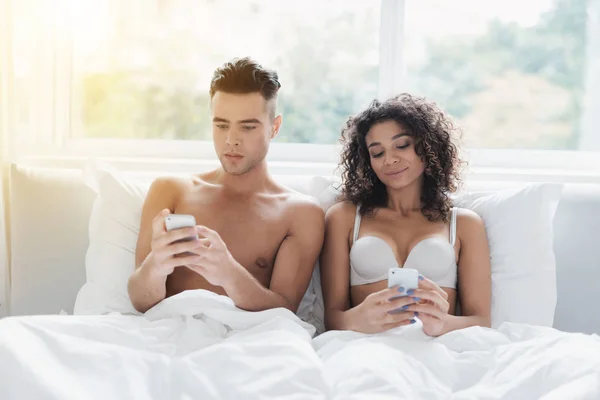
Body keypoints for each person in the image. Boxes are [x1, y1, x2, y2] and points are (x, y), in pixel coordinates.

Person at [128, 57, 325, 314]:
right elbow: (141, 301)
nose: (231, 140)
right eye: (221, 125)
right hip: (167, 336)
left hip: (248, 341)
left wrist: (229, 274)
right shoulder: (170, 191)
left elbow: (284, 311)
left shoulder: (300, 213)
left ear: (274, 127)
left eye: (247, 127)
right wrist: (156, 266)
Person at [320, 94, 491, 337]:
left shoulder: (464, 224)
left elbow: (481, 321)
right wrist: (358, 318)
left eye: (401, 145)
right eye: (377, 153)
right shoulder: (345, 217)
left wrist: (443, 324)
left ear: (428, 146)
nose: (390, 159)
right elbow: (333, 317)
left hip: (437, 347)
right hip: (363, 347)